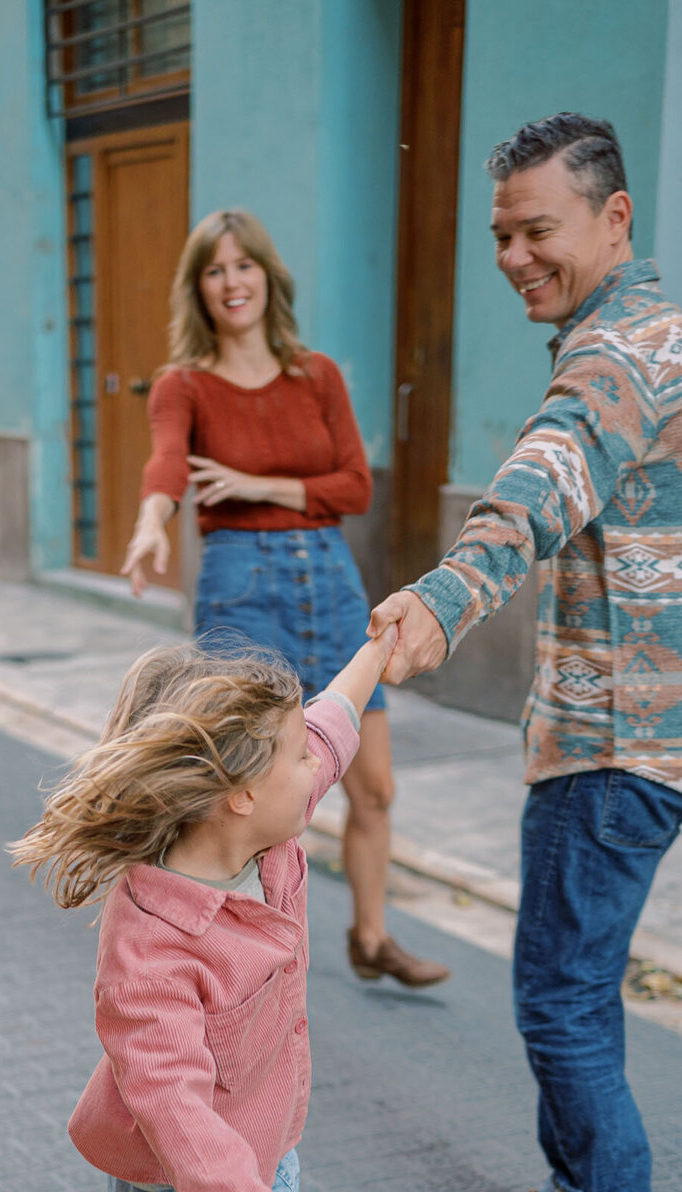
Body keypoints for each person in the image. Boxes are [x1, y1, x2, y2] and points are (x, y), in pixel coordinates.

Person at [371, 114, 682, 1192]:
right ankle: (578, 1190)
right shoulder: (639, 334)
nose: (516, 253)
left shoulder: (623, 353)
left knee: (561, 996)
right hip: (624, 728)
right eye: (502, 233)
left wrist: (445, 593)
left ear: (613, 217)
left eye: (539, 229)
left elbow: (548, 473)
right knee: (561, 980)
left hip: (625, 742)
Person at [12, 621, 397, 1192]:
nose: (317, 766)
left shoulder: (260, 842)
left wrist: (388, 642)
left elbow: (334, 725)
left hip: (265, 1145)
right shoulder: (151, 944)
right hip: (188, 1186)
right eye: (291, 760)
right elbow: (174, 1107)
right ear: (236, 796)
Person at [122, 206, 448, 991]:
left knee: (374, 785)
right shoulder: (184, 384)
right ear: (197, 288)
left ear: (268, 276)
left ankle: (371, 935)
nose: (232, 282)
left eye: (244, 265)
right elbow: (168, 464)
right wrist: (150, 525)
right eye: (214, 269)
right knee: (246, 795)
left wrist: (256, 484)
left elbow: (356, 485)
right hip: (243, 589)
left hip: (330, 581)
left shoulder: (318, 374)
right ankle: (249, 957)